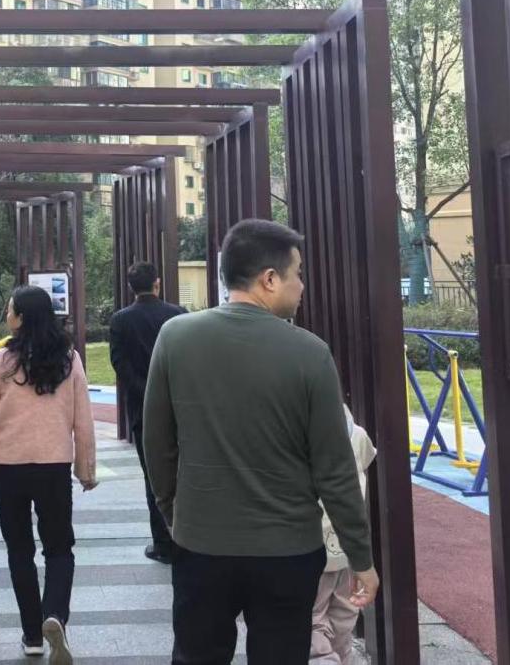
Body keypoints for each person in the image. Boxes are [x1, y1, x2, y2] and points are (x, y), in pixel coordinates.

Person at [143, 218, 380, 665]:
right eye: (297, 273)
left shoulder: (175, 338)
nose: (301, 286)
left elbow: (157, 444)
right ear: (269, 279)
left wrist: (174, 512)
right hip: (288, 549)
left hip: (201, 543)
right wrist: (360, 558)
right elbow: (335, 470)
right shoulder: (310, 353)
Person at [0, 286, 96, 662]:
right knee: (59, 547)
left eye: (11, 309)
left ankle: (32, 635)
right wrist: (85, 469)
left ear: (22, 317)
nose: (7, 314)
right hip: (54, 467)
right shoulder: (69, 358)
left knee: (20, 550)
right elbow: (83, 419)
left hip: (9, 469)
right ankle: (54, 614)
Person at [109, 261, 187, 564]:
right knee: (184, 471)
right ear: (158, 282)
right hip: (180, 407)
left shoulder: (121, 321)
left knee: (153, 476)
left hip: (142, 409)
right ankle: (187, 537)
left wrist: (146, 392)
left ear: (131, 287)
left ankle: (162, 543)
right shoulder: (178, 315)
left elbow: (120, 364)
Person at [310, 405, 376, 665]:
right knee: (345, 616)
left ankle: (323, 658)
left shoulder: (301, 438)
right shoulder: (357, 434)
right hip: (348, 548)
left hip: (312, 547)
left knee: (313, 619)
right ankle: (340, 657)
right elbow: (368, 458)